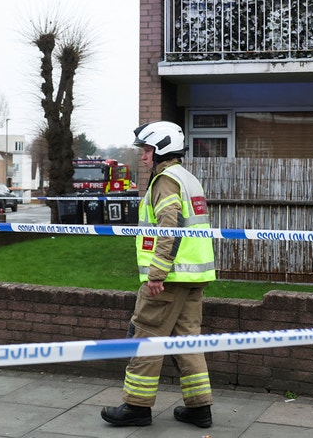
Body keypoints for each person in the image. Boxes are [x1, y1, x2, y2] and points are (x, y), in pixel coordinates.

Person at [101, 120, 216, 429]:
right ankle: (199, 408)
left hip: (169, 279)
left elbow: (169, 227)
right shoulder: (187, 178)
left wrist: (156, 274)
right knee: (187, 342)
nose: (143, 156)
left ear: (162, 149)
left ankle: (136, 407)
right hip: (193, 277)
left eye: (148, 150)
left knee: (145, 336)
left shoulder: (165, 181)